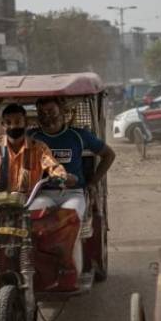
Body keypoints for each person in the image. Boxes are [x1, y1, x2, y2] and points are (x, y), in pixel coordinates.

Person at [28, 97, 116, 274]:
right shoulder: (32, 137)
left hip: (73, 193)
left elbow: (109, 155)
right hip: (42, 192)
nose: (48, 117)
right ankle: (38, 271)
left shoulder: (78, 135)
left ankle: (71, 271)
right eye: (42, 114)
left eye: (51, 112)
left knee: (70, 220)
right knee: (33, 219)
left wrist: (92, 182)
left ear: (62, 112)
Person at [0, 104, 75, 198]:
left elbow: (52, 166)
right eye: (8, 123)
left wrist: (63, 176)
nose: (13, 126)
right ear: (3, 125)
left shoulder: (39, 148)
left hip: (29, 200)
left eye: (18, 122)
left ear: (26, 123)